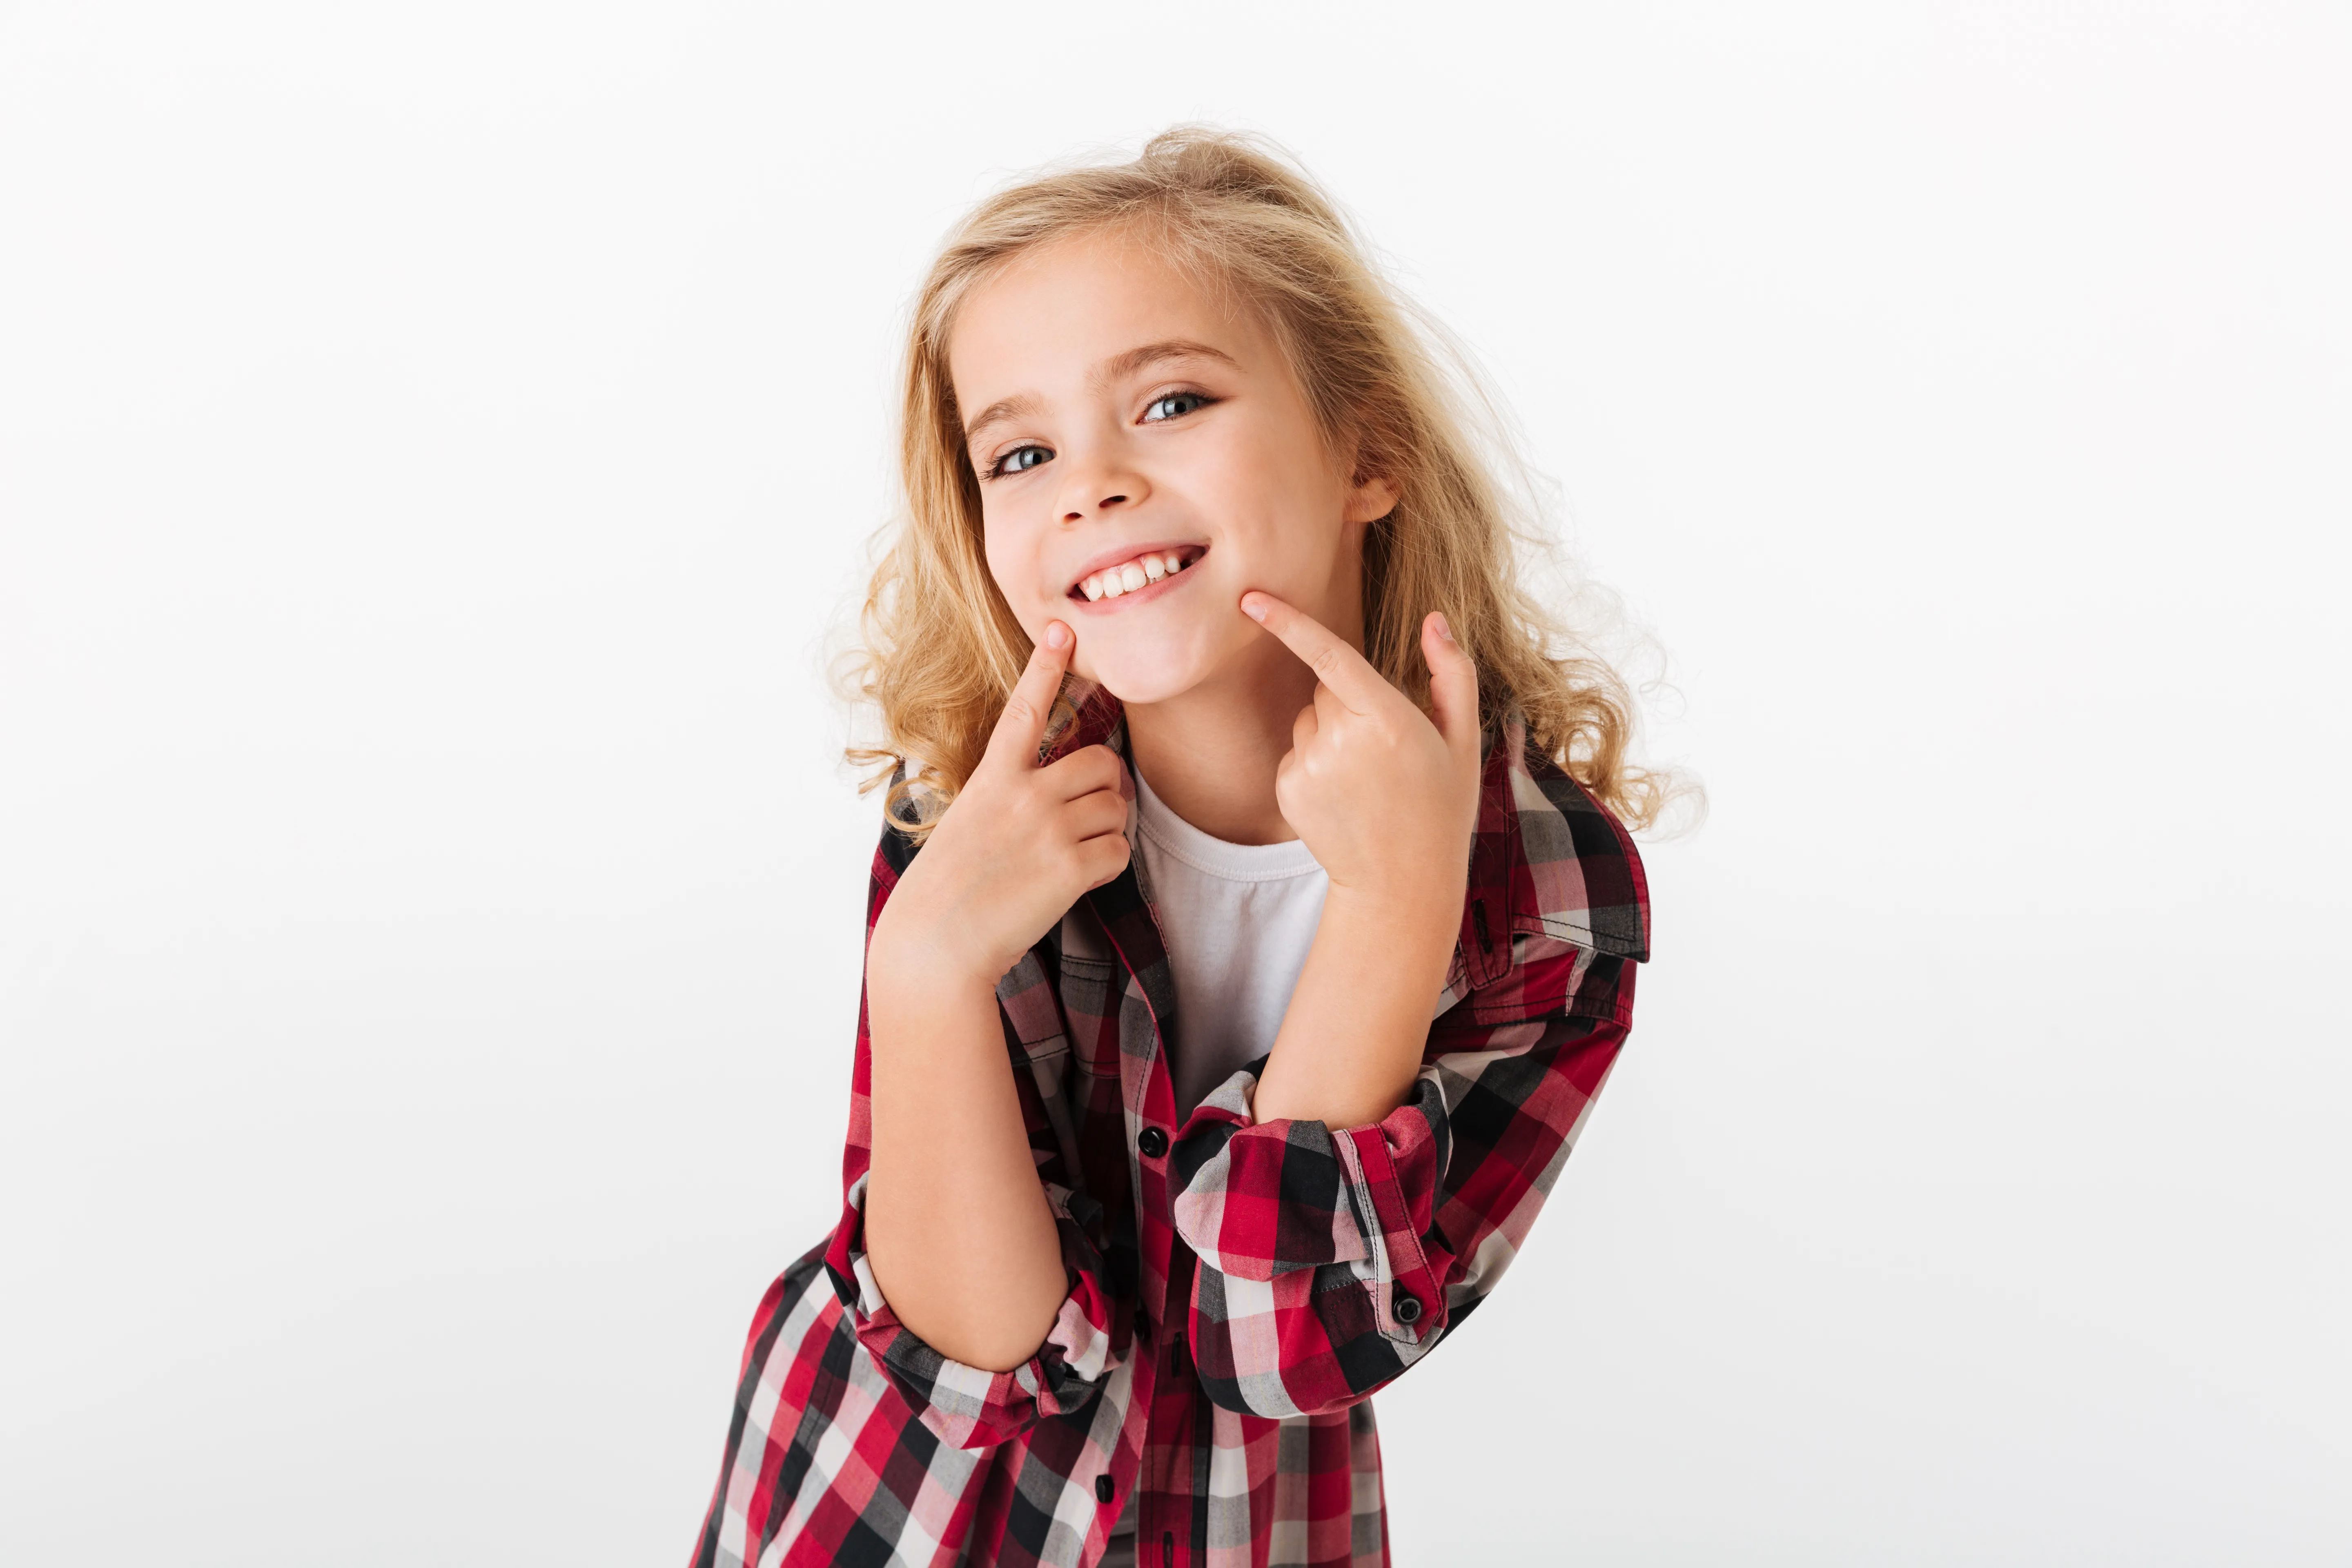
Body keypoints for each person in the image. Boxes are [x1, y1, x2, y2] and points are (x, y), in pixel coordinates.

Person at [690, 127, 1664, 1568]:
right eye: (1021, 452)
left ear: (1368, 451)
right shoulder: (976, 806)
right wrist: (925, 976)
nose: (1089, 485)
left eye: (1169, 401)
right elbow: (974, 1367)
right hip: (876, 1513)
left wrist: (1397, 906)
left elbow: (1272, 1353)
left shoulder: (1545, 894)